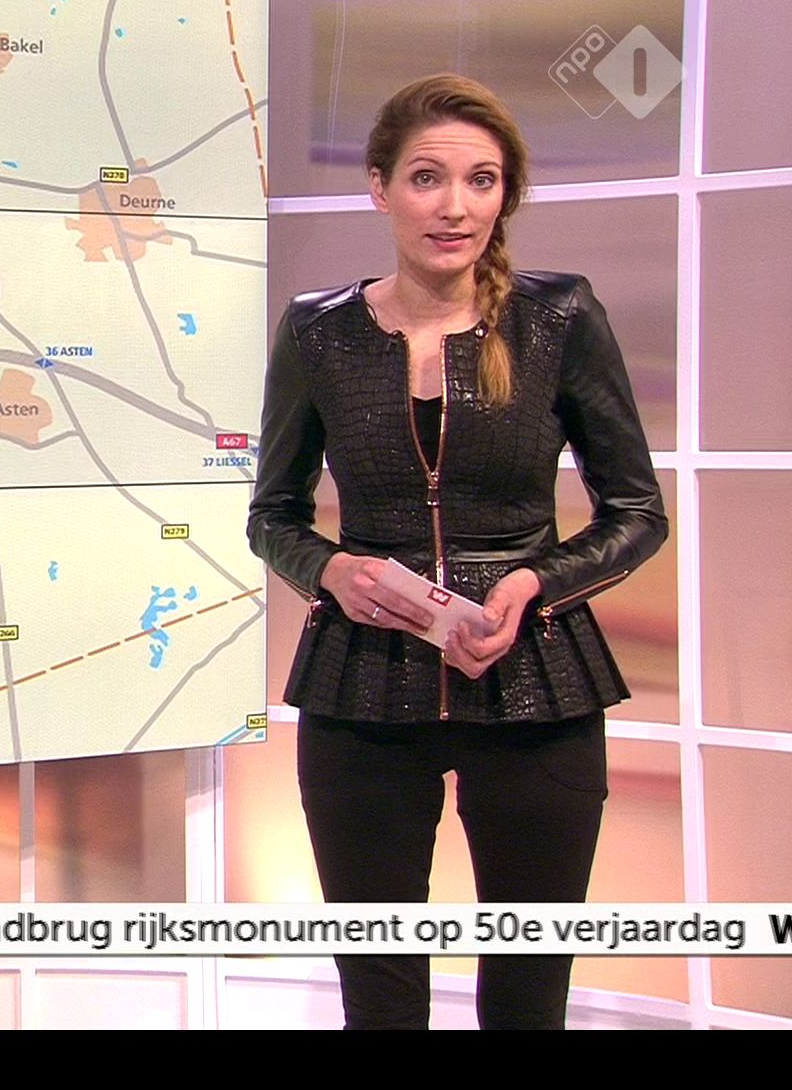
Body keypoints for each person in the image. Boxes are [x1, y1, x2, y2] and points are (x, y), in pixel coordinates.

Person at [247, 73, 668, 1029]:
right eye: (427, 178)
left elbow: (637, 512)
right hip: (363, 687)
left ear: (505, 195)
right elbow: (272, 513)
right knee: (381, 1001)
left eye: (482, 181)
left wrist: (535, 583)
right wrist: (330, 570)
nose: (455, 207)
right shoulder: (318, 331)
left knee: (527, 998)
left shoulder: (560, 317)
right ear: (380, 188)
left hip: (536, 687)